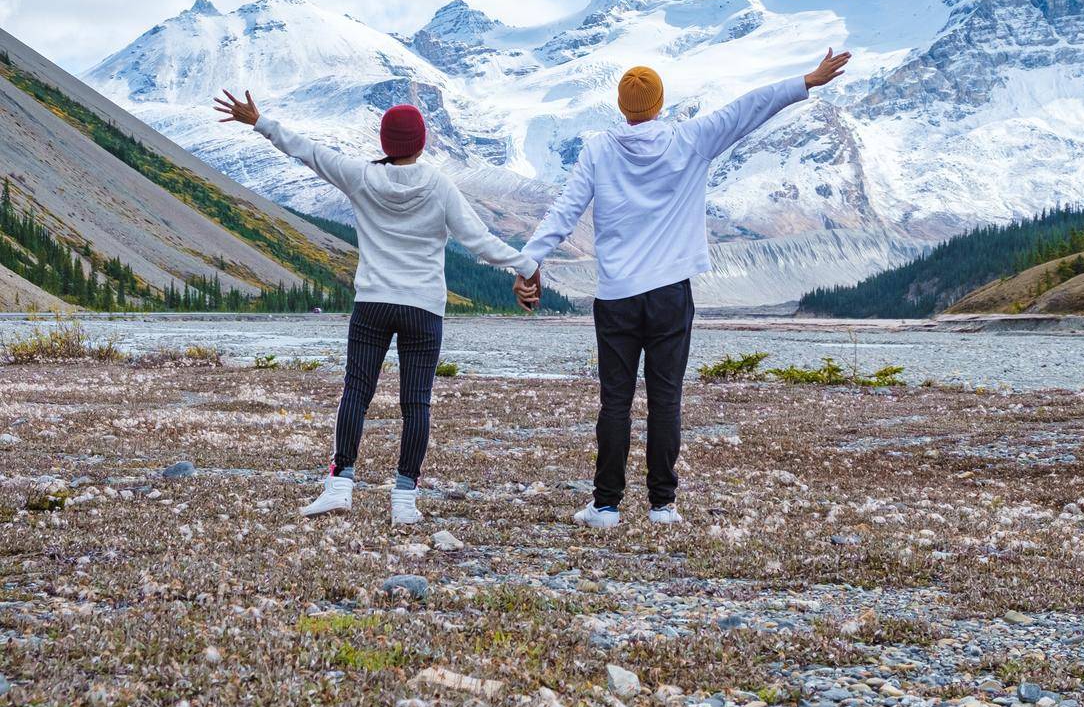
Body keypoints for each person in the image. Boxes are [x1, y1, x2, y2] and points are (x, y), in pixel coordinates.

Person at [511, 50, 851, 527]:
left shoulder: (599, 149)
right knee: (665, 397)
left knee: (615, 401)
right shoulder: (690, 140)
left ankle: (606, 505)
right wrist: (807, 81)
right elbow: (747, 109)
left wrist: (528, 264)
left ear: (621, 106)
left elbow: (563, 212)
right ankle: (662, 506)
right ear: (660, 102)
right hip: (670, 294)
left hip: (615, 296)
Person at [213, 90, 525, 527]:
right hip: (423, 308)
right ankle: (404, 499)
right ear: (423, 142)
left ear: (384, 143)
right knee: (416, 403)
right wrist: (527, 265)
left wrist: (260, 121)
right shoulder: (439, 185)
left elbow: (309, 153)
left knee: (356, 392)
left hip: (373, 303)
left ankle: (340, 485)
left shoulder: (360, 176)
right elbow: (479, 242)